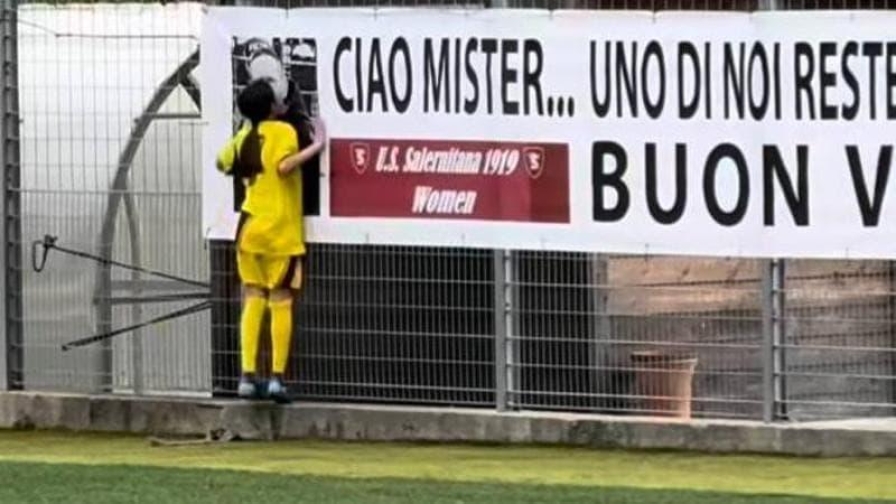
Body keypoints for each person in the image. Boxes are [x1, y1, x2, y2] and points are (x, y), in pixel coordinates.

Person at [216, 79, 327, 403]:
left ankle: (247, 377)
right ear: (272, 107)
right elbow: (284, 166)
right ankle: (277, 378)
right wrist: (316, 146)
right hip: (280, 232)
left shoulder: (243, 137)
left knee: (252, 298)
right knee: (281, 300)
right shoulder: (284, 132)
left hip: (249, 230)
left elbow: (223, 162)